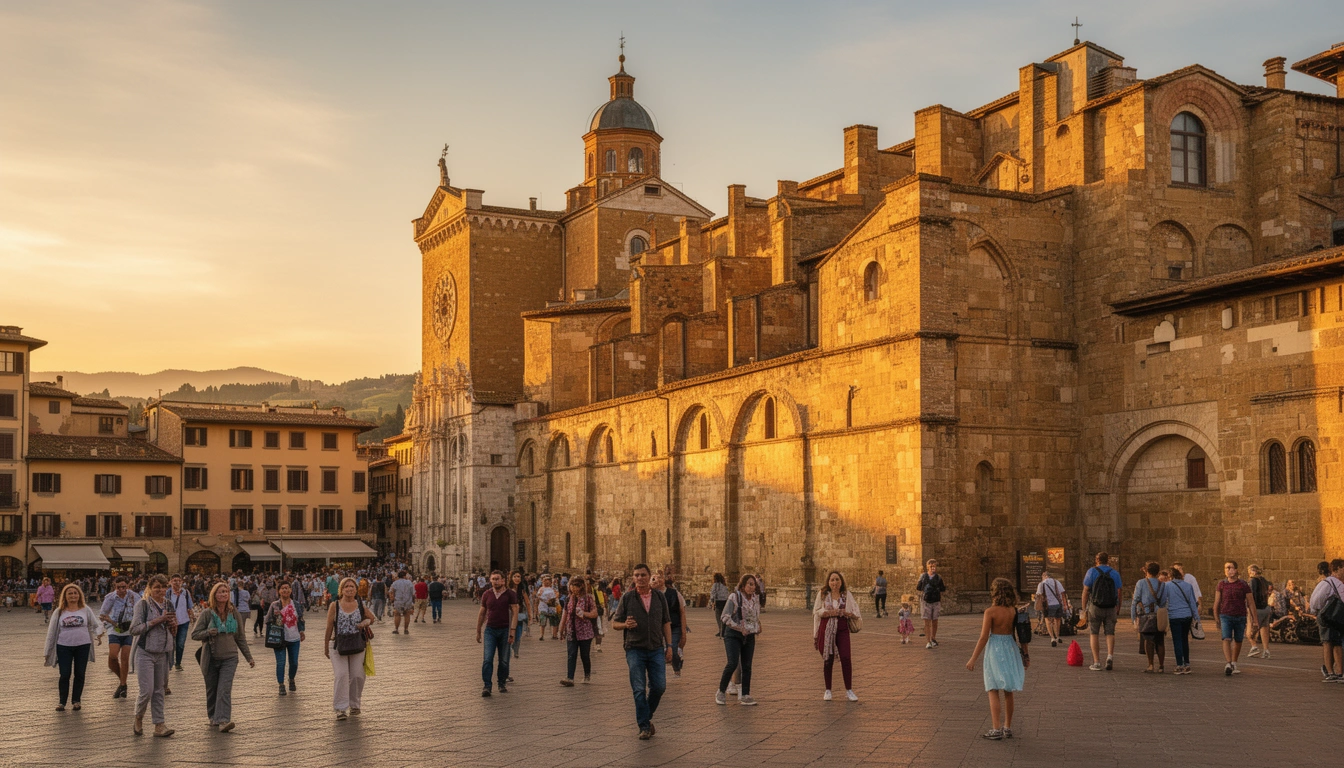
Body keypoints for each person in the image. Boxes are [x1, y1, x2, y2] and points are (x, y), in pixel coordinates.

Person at [610, 564, 671, 740]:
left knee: (659, 687)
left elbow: (666, 622)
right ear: (633, 578)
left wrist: (670, 646)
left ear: (649, 576)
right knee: (638, 689)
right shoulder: (627, 598)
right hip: (634, 648)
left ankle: (645, 716)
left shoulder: (659, 597)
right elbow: (615, 623)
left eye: (643, 575)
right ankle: (644, 726)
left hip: (656, 648)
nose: (640, 578)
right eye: (636, 575)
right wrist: (625, 625)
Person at [965, 578, 1028, 741]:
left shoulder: (990, 612)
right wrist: (1026, 656)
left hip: (995, 648)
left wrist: (973, 659)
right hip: (1010, 647)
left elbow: (983, 637)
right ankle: (1007, 726)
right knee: (1008, 690)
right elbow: (1022, 636)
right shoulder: (1013, 611)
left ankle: (995, 728)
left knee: (992, 688)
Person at [192, 582, 255, 732]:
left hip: (230, 657)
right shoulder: (207, 613)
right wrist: (208, 632)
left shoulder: (234, 613)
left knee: (224, 689)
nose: (224, 594)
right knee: (212, 689)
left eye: (226, 592)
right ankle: (213, 716)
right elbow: (194, 634)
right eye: (220, 592)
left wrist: (249, 657)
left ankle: (223, 720)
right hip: (211, 657)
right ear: (214, 595)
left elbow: (240, 637)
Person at [129, 574, 176, 737]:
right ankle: (138, 716)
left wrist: (172, 625)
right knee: (147, 690)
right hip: (145, 652)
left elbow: (171, 629)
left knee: (159, 690)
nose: (161, 590)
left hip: (163, 652)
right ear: (149, 588)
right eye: (157, 587)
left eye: (164, 587)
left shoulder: (169, 604)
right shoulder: (142, 605)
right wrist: (158, 620)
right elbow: (134, 629)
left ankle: (159, 725)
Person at [44, 583, 103, 712]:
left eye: (75, 593)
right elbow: (51, 632)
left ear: (79, 595)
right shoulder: (59, 612)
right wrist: (47, 650)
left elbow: (95, 624)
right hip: (63, 646)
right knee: (64, 674)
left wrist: (99, 634)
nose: (73, 595)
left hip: (83, 645)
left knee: (80, 673)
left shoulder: (85, 609)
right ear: (65, 596)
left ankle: (76, 700)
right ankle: (62, 702)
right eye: (70, 593)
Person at [324, 577, 372, 719]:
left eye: (352, 586)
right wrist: (325, 646)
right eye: (346, 586)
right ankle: (340, 708)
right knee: (341, 675)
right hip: (338, 645)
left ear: (356, 589)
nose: (349, 589)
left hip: (357, 644)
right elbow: (329, 627)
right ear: (341, 590)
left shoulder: (360, 604)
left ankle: (355, 705)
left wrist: (366, 621)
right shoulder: (335, 605)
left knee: (357, 675)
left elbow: (372, 618)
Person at [813, 570, 861, 701]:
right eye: (832, 580)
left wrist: (847, 613)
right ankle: (828, 689)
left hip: (842, 628)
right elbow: (816, 612)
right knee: (828, 658)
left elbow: (855, 610)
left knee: (846, 657)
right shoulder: (823, 594)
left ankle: (849, 689)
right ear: (828, 582)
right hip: (827, 628)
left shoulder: (846, 595)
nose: (835, 582)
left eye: (837, 579)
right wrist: (829, 613)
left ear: (841, 581)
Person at [716, 574, 760, 706]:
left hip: (749, 635)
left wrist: (757, 626)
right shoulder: (734, 597)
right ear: (743, 585)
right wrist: (740, 628)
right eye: (750, 584)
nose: (752, 587)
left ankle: (745, 694)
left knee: (747, 665)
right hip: (733, 635)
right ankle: (721, 691)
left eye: (754, 585)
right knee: (733, 663)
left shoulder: (755, 599)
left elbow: (754, 616)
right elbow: (724, 617)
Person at [475, 570, 518, 697]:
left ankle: (501, 683)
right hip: (490, 630)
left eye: (497, 579)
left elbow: (515, 612)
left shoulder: (510, 594)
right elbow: (482, 612)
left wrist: (512, 631)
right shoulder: (487, 594)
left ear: (503, 580)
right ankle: (487, 686)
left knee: (504, 660)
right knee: (487, 659)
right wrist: (478, 631)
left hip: (505, 630)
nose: (495, 581)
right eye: (493, 579)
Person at [1213, 561, 1259, 676]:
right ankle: (1228, 663)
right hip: (1225, 615)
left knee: (1238, 640)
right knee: (1226, 638)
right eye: (1226, 568)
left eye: (1230, 567)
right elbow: (1217, 602)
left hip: (1240, 616)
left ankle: (1234, 662)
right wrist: (1216, 617)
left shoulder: (1243, 584)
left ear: (1236, 570)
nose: (1228, 570)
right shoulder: (1221, 584)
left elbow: (1251, 602)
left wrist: (1255, 620)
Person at [1079, 552, 1123, 671]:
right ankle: (1109, 656)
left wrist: (1084, 609)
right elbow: (1119, 591)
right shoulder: (1114, 573)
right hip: (1111, 607)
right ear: (1108, 560)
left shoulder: (1092, 572)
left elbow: (1086, 591)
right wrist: (1118, 606)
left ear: (1096, 560)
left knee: (1094, 633)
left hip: (1095, 607)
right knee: (1110, 632)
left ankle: (1097, 662)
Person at [262, 581, 305, 695]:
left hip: (294, 638)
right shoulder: (274, 605)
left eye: (287, 588)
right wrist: (276, 621)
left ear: (291, 590)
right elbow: (267, 620)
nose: (285, 590)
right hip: (279, 639)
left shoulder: (296, 604)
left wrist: (302, 631)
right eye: (282, 588)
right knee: (280, 662)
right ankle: (281, 684)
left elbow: (300, 618)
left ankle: (291, 679)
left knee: (294, 663)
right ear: (279, 591)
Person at [100, 576, 137, 699]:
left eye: (124, 587)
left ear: (128, 585)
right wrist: (110, 622)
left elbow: (141, 611)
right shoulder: (110, 597)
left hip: (128, 631)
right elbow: (103, 614)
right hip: (114, 630)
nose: (121, 589)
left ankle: (123, 685)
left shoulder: (134, 597)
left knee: (125, 658)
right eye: (118, 587)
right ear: (114, 586)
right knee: (113, 656)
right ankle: (122, 680)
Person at [1130, 561, 1168, 673]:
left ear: (1147, 571)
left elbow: (1135, 600)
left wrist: (1133, 618)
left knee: (1148, 640)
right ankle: (1161, 666)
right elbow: (1164, 602)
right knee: (1160, 641)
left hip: (1146, 615)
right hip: (1159, 615)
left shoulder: (1141, 583)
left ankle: (1151, 665)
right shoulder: (1162, 584)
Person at [1309, 559, 1344, 681]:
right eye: (1343, 568)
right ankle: (1331, 672)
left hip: (1335, 618)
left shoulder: (1334, 582)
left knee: (1336, 642)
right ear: (1336, 569)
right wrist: (1319, 612)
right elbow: (1316, 601)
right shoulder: (1329, 583)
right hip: (1328, 617)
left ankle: (1339, 672)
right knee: (1328, 642)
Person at [559, 576, 598, 686]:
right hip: (571, 631)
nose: (573, 588)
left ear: (581, 586)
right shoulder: (568, 599)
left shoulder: (588, 598)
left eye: (575, 586)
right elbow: (564, 615)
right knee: (571, 654)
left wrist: (584, 614)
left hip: (585, 632)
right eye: (571, 586)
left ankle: (587, 675)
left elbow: (595, 613)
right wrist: (561, 630)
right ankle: (570, 678)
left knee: (584, 655)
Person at [654, 574, 688, 678]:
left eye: (660, 577)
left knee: (672, 648)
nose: (658, 580)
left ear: (664, 580)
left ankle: (676, 666)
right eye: (654, 578)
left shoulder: (674, 593)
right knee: (658, 650)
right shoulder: (650, 595)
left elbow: (682, 612)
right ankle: (659, 672)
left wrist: (683, 632)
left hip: (674, 626)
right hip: (658, 627)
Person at [1166, 565, 1198, 675]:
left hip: (1174, 615)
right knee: (1185, 639)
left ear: (1170, 576)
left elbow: (1164, 601)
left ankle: (1179, 664)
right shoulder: (1188, 586)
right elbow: (1192, 602)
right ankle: (1187, 664)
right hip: (1187, 615)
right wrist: (1196, 616)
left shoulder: (1167, 586)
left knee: (1177, 640)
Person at [1034, 569, 1069, 647]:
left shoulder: (1041, 584)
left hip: (1048, 605)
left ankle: (1052, 638)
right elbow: (1063, 593)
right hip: (1058, 604)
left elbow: (1038, 595)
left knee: (1048, 620)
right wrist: (1065, 605)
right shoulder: (1057, 582)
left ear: (1044, 576)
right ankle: (1057, 636)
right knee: (1058, 620)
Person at [916, 559, 946, 648]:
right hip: (926, 601)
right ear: (927, 567)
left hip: (936, 601)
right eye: (931, 566)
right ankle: (928, 640)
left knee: (935, 620)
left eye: (934, 566)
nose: (933, 568)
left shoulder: (939, 577)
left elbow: (943, 588)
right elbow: (918, 587)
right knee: (927, 621)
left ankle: (933, 638)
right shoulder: (923, 576)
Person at [166, 575, 194, 670]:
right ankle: (169, 663)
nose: (176, 582)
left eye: (178, 580)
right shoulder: (168, 593)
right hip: (170, 622)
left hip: (183, 621)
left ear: (181, 582)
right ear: (170, 582)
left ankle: (178, 663)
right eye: (174, 581)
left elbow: (189, 606)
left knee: (180, 643)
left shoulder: (185, 593)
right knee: (170, 643)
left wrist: (192, 617)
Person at [1247, 565, 1274, 659]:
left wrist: (1250, 609)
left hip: (1256, 608)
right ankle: (1266, 651)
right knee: (1264, 628)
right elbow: (1270, 588)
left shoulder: (1253, 581)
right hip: (1266, 608)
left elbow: (1252, 595)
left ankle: (1254, 646)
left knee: (1249, 632)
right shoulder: (1263, 580)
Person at [509, 570, 530, 659]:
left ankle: (516, 649)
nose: (517, 579)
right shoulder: (507, 589)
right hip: (509, 615)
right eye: (515, 576)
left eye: (519, 577)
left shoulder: (522, 590)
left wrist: (530, 615)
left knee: (518, 634)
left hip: (519, 615)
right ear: (511, 578)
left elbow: (527, 603)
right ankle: (509, 648)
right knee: (509, 633)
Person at [390, 570, 414, 635]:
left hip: (398, 601)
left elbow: (391, 591)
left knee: (397, 615)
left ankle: (396, 629)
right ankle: (406, 629)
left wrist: (392, 599)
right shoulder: (409, 583)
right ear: (404, 576)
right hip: (407, 601)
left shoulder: (395, 583)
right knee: (407, 615)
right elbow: (413, 593)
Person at [536, 575, 560, 641]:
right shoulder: (541, 589)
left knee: (554, 620)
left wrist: (553, 599)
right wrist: (545, 600)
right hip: (543, 606)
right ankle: (541, 635)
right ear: (543, 582)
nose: (547, 582)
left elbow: (557, 594)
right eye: (545, 581)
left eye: (548, 581)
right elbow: (538, 596)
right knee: (543, 620)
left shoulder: (553, 589)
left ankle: (554, 635)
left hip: (552, 606)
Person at [709, 573, 729, 637]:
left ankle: (721, 631)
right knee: (724, 616)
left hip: (718, 601)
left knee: (718, 617)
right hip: (725, 602)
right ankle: (724, 630)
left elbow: (713, 593)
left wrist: (712, 601)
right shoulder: (724, 585)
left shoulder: (715, 585)